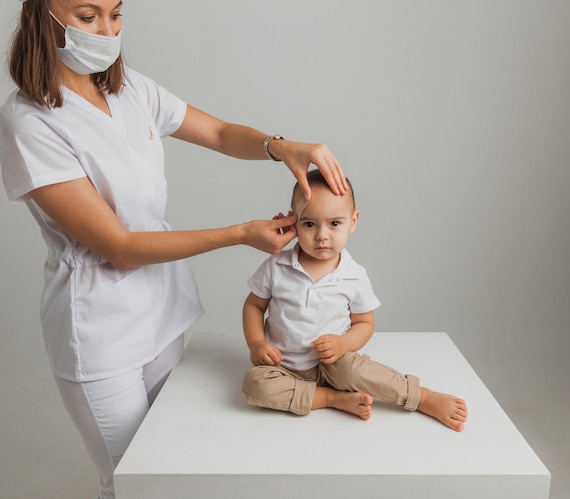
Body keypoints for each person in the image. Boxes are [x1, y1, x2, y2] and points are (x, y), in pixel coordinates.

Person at [0, 1, 348, 498]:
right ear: (43, 16)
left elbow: (222, 134)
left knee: (173, 465)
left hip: (161, 310)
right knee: (129, 482)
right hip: (99, 329)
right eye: (87, 16)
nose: (107, 30)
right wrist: (239, 235)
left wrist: (280, 146)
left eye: (116, 14)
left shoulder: (128, 89)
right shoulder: (28, 121)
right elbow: (118, 246)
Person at [242, 169, 468, 430]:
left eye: (334, 223)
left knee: (357, 371)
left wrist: (343, 343)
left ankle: (421, 396)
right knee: (254, 384)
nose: (322, 235)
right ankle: (331, 398)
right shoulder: (277, 266)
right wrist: (257, 343)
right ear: (293, 223)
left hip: (333, 363)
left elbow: (365, 323)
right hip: (282, 366)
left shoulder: (353, 275)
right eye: (309, 224)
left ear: (353, 221)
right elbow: (254, 306)